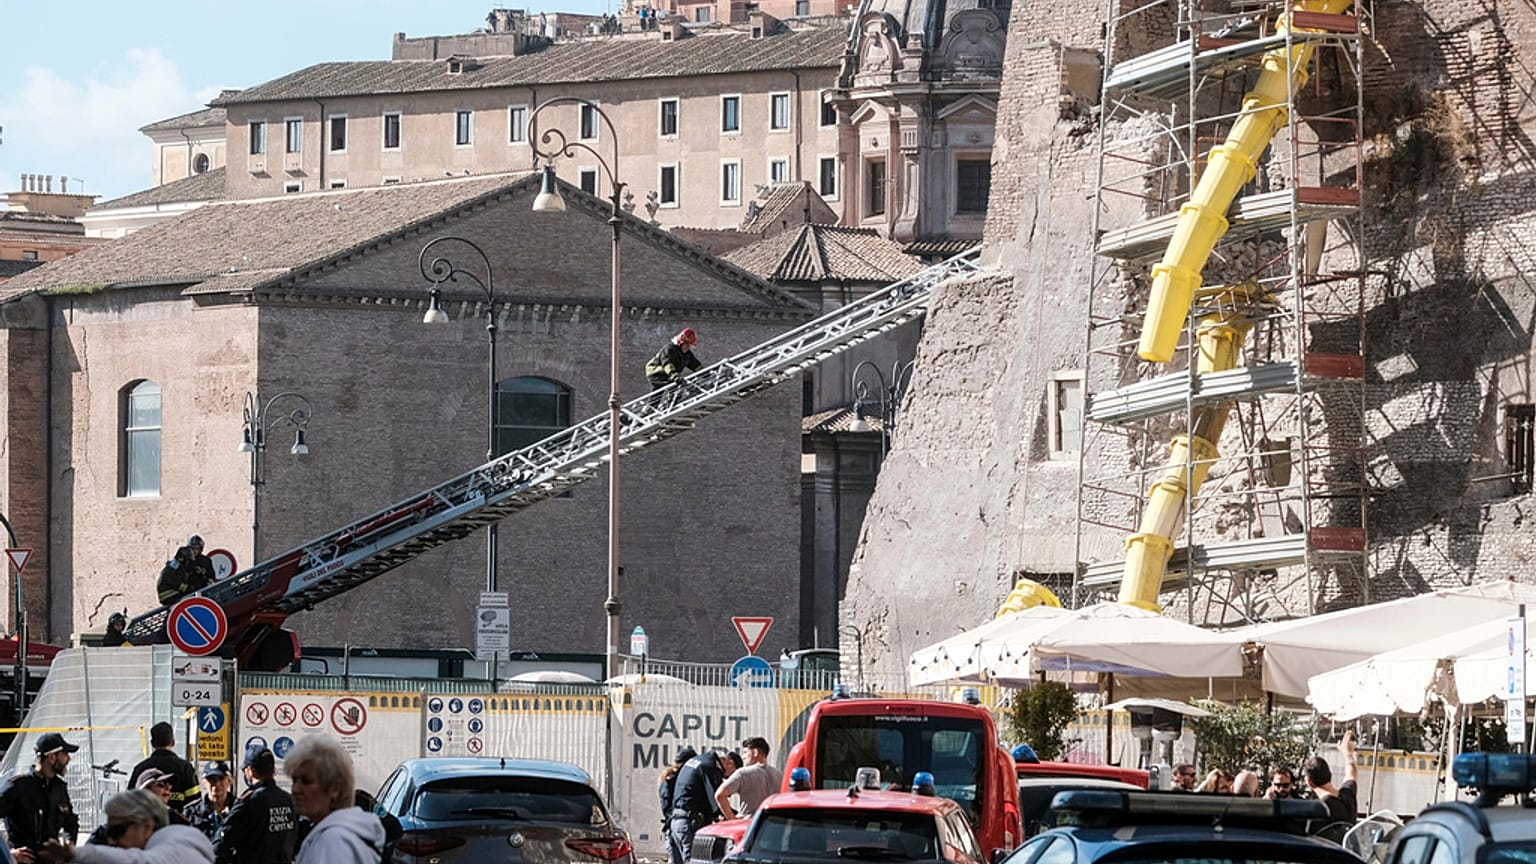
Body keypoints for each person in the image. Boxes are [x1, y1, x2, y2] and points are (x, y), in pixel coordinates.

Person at [35, 789, 213, 864]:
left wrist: (76, 853)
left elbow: (137, 861)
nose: (111, 841)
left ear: (146, 826)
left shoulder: (176, 846)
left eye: (117, 832)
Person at [284, 735, 383, 864]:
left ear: (335, 788)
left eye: (306, 781)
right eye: (294, 780)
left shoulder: (333, 841)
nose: (295, 789)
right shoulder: (343, 835)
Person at [0, 733, 81, 860]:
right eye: (65, 754)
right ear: (52, 757)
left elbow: (70, 822)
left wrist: (68, 845)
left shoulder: (59, 788)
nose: (68, 759)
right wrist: (9, 854)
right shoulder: (17, 787)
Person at [213, 747, 295, 864]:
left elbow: (223, 842)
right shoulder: (288, 800)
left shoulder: (249, 802)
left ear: (250, 771)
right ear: (273, 770)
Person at [668, 750, 733, 864]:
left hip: (677, 821)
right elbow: (716, 799)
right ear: (728, 763)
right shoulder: (710, 767)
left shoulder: (697, 761)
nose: (727, 778)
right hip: (690, 822)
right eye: (731, 774)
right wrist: (733, 817)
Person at [128, 724, 199, 815]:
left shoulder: (141, 768)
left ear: (152, 743)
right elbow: (195, 801)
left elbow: (130, 800)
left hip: (147, 824)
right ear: (173, 742)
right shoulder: (186, 768)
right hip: (177, 826)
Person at [715, 737, 782, 821]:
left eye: (745, 752)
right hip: (772, 825)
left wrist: (732, 819)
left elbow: (720, 795)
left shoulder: (743, 773)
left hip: (748, 825)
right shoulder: (780, 775)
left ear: (755, 752)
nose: (743, 757)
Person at [1303, 730, 1358, 824]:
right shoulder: (1347, 795)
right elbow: (1351, 774)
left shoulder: (1319, 808)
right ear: (1330, 774)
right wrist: (1347, 754)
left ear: (1309, 781)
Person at [657, 746, 697, 864]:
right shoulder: (672, 781)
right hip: (678, 825)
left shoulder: (669, 780)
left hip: (672, 827)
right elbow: (667, 806)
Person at [183, 764, 232, 841]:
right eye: (211, 779)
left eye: (221, 778)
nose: (216, 784)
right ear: (204, 783)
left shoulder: (240, 808)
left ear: (229, 781)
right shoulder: (192, 812)